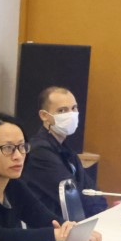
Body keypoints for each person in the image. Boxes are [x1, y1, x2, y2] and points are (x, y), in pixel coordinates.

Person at [0, 113, 104, 241]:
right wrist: (57, 235)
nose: (18, 156)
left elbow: (44, 219)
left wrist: (72, 229)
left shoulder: (13, 184)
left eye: (22, 146)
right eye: (8, 148)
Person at [20, 86, 107, 219]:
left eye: (74, 108)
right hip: (54, 227)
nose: (71, 115)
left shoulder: (66, 150)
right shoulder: (39, 151)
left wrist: (101, 212)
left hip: (78, 223)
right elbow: (73, 197)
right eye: (62, 110)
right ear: (44, 116)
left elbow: (92, 192)